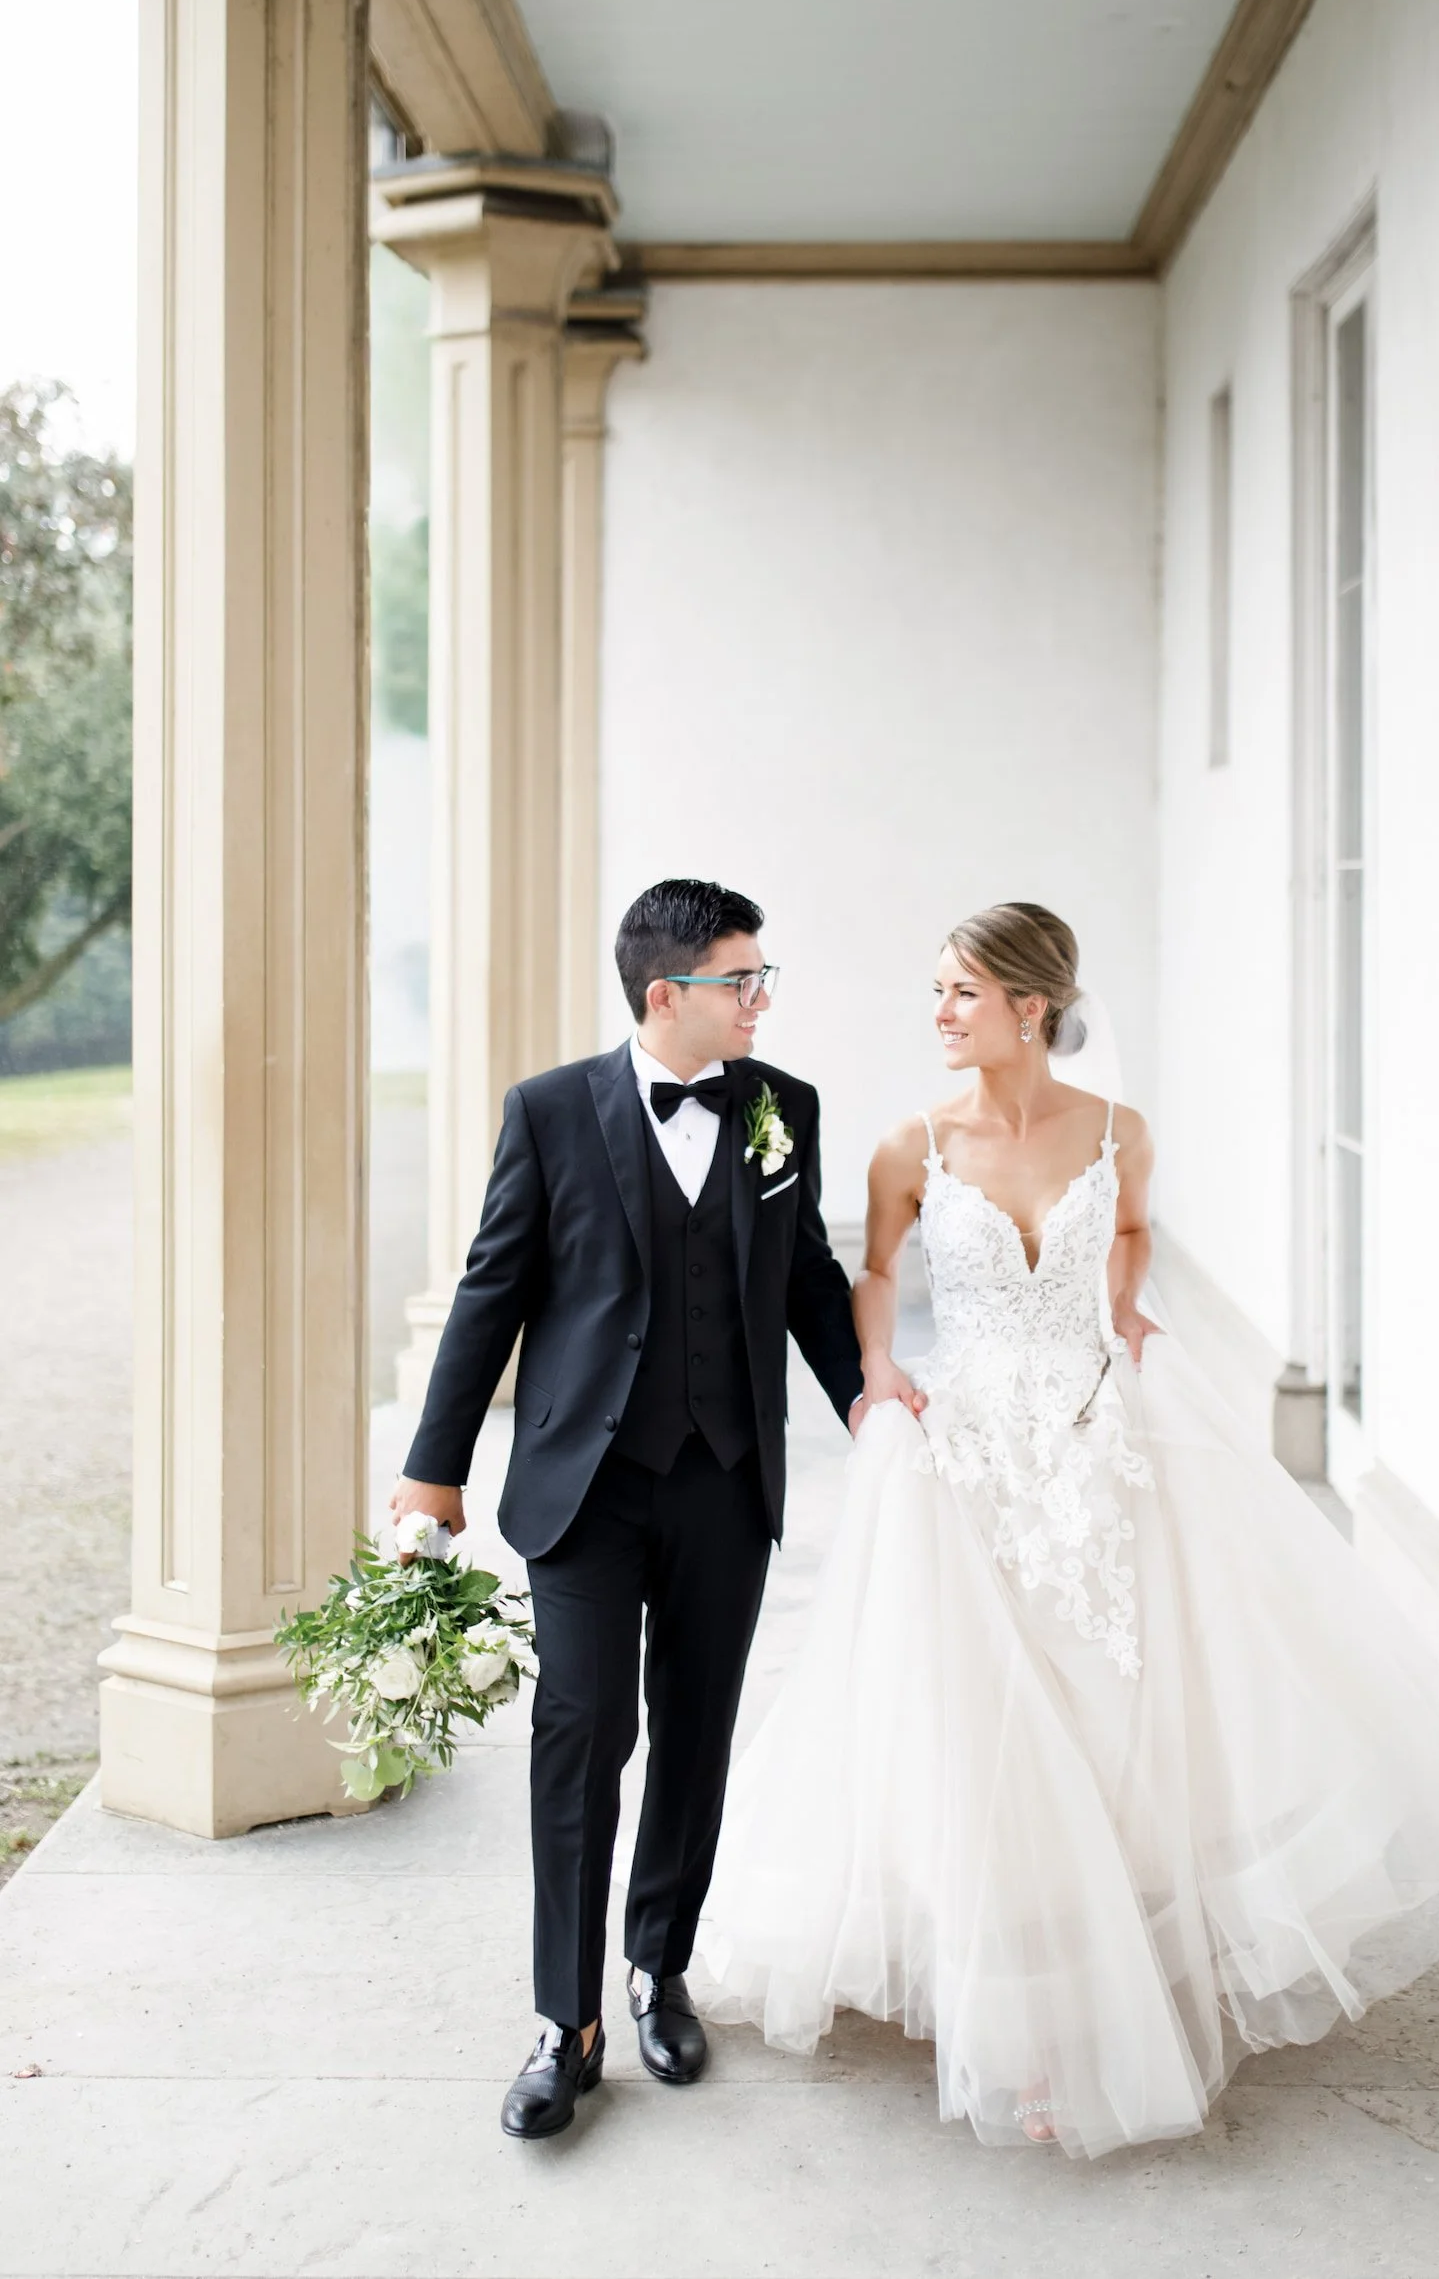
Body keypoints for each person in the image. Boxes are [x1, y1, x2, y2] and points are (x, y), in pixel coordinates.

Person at [696, 901, 1439, 2158]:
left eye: (961, 991)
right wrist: (874, 1371)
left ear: (1030, 1004)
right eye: (935, 991)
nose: (939, 1013)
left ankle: (1112, 1966)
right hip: (964, 1444)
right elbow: (873, 1268)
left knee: (1111, 1708)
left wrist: (1125, 1315)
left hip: (1094, 1433)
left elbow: (1125, 1233)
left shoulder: (1118, 1133)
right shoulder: (908, 1143)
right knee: (985, 1720)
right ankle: (1021, 2019)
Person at [389, 879, 881, 2140]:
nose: (761, 999)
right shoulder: (550, 1112)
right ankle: (567, 2020)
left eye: (763, 977)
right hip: (585, 1488)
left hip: (726, 1479)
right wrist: (430, 1468)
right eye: (740, 980)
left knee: (695, 1732)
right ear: (666, 996)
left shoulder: (785, 1111)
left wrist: (870, 1404)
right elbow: (488, 1291)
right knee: (582, 1732)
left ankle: (657, 1969)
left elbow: (808, 1285)